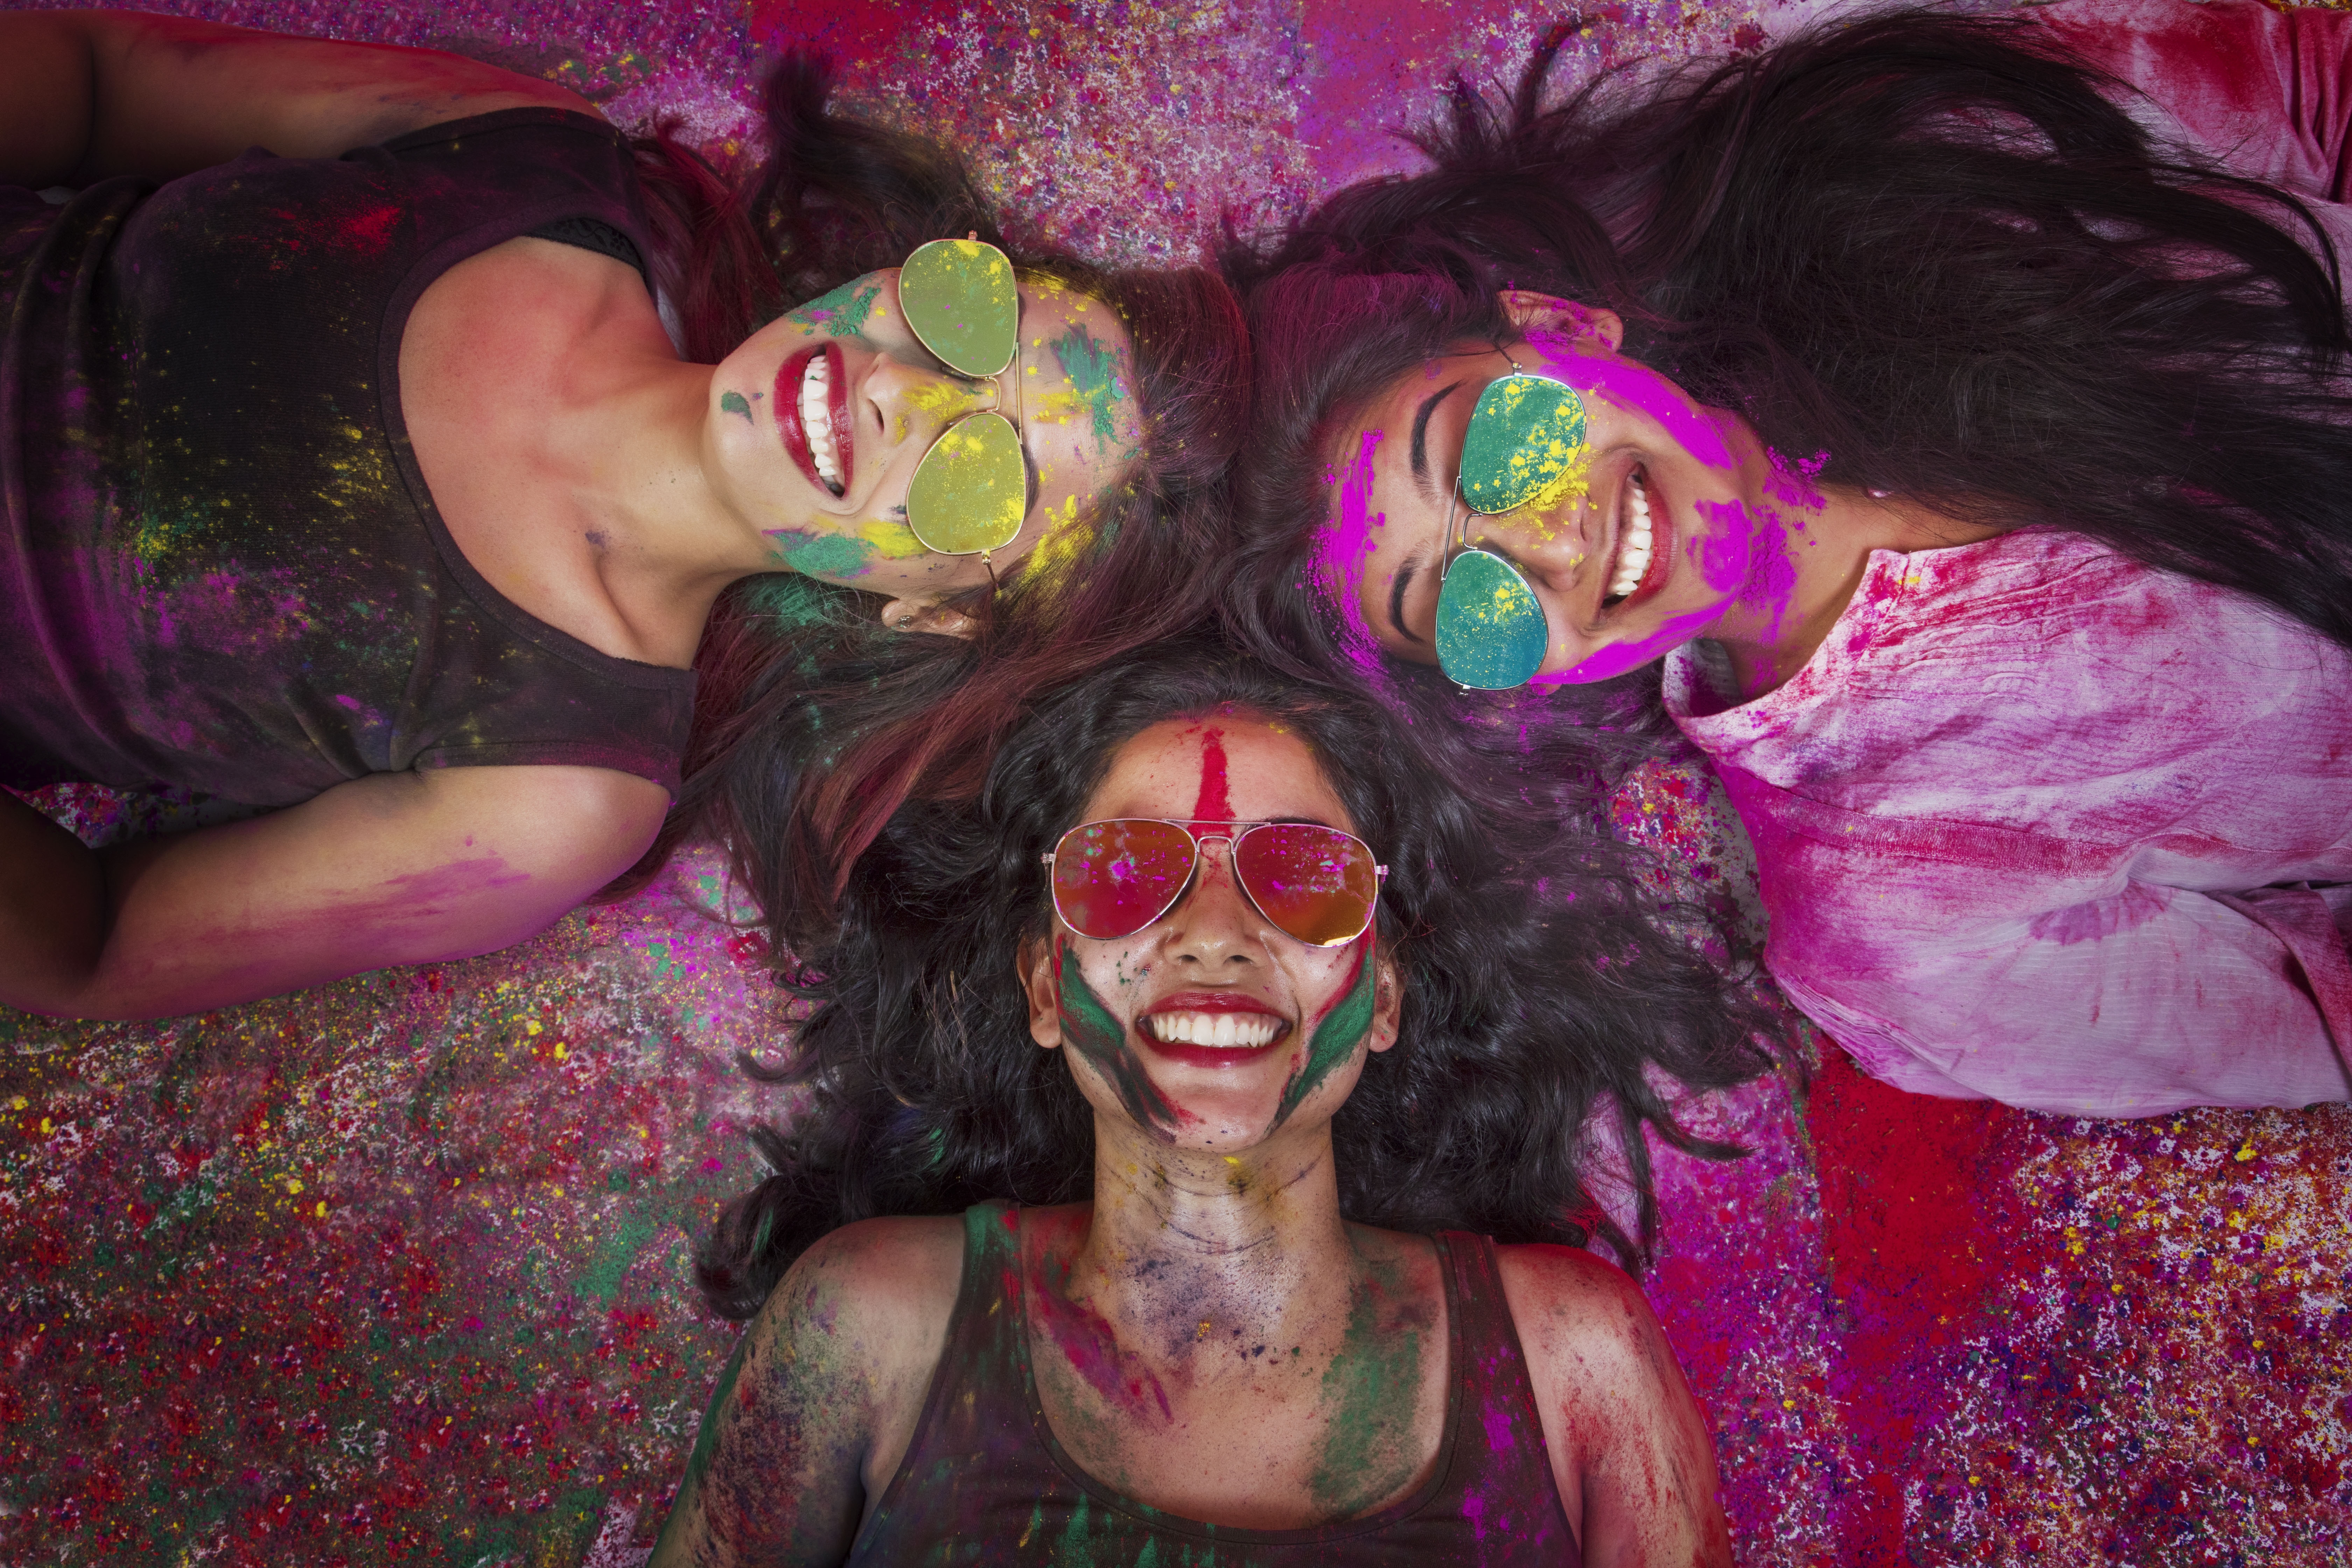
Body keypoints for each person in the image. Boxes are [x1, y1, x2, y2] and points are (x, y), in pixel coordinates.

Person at [1220, 3, 2352, 1119]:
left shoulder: (1903, 143)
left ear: (1561, 327)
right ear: (1516, 679)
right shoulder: (1895, 925)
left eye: (1495, 447)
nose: (1553, 547)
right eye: (1468, 601)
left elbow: (2313, 84)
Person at [0, 11, 1245, 1020]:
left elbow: (91, 948)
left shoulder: (561, 792)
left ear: (932, 611)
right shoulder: (527, 154)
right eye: (968, 319)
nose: (899, 393)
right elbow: (100, 80)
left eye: (982, 473)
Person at [650, 637, 1778, 1565]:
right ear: (1048, 981)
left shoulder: (1572, 1362)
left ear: (1383, 992)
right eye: (1129, 872)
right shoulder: (869, 1328)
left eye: (1299, 875)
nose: (1216, 935)